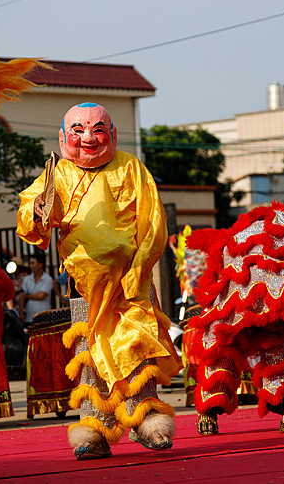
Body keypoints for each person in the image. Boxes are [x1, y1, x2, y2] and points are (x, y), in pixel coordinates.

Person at [16, 102, 181, 460]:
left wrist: (138, 271)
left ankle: (146, 420)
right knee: (89, 359)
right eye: (78, 130)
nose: (88, 138)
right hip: (84, 286)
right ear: (63, 137)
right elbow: (29, 214)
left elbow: (153, 223)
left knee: (137, 351)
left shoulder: (130, 167)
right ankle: (94, 432)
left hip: (130, 285)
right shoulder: (58, 173)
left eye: (98, 130)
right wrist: (37, 209)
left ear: (113, 134)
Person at [18, 253, 56, 325]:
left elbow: (41, 296)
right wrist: (21, 313)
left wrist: (26, 296)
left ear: (40, 264)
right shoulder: (27, 279)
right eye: (30, 263)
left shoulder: (47, 279)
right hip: (29, 318)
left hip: (44, 318)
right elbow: (21, 296)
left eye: (33, 263)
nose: (30, 266)